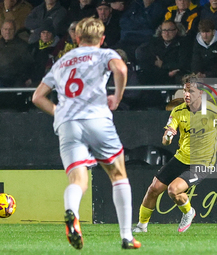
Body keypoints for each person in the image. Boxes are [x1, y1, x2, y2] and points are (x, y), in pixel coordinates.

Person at [32, 17, 141, 250]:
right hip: (96, 118)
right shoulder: (104, 53)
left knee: (78, 179)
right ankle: (126, 236)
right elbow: (120, 68)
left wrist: (59, 112)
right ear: (102, 39)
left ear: (76, 38)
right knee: (118, 175)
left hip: (68, 124)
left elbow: (37, 97)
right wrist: (117, 97)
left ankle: (71, 212)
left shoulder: (61, 62)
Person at [133, 73, 217, 233]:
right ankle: (141, 227)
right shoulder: (178, 111)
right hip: (181, 158)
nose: (186, 94)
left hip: (202, 163)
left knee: (173, 190)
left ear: (201, 93)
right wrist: (167, 137)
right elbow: (166, 138)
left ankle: (188, 212)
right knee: (153, 189)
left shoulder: (213, 111)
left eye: (190, 91)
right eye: (185, 90)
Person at [0, 19, 34, 88]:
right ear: (1, 30)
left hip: (15, 81)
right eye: (5, 29)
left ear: (15, 31)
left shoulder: (22, 46)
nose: (7, 32)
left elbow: (29, 65)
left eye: (10, 29)